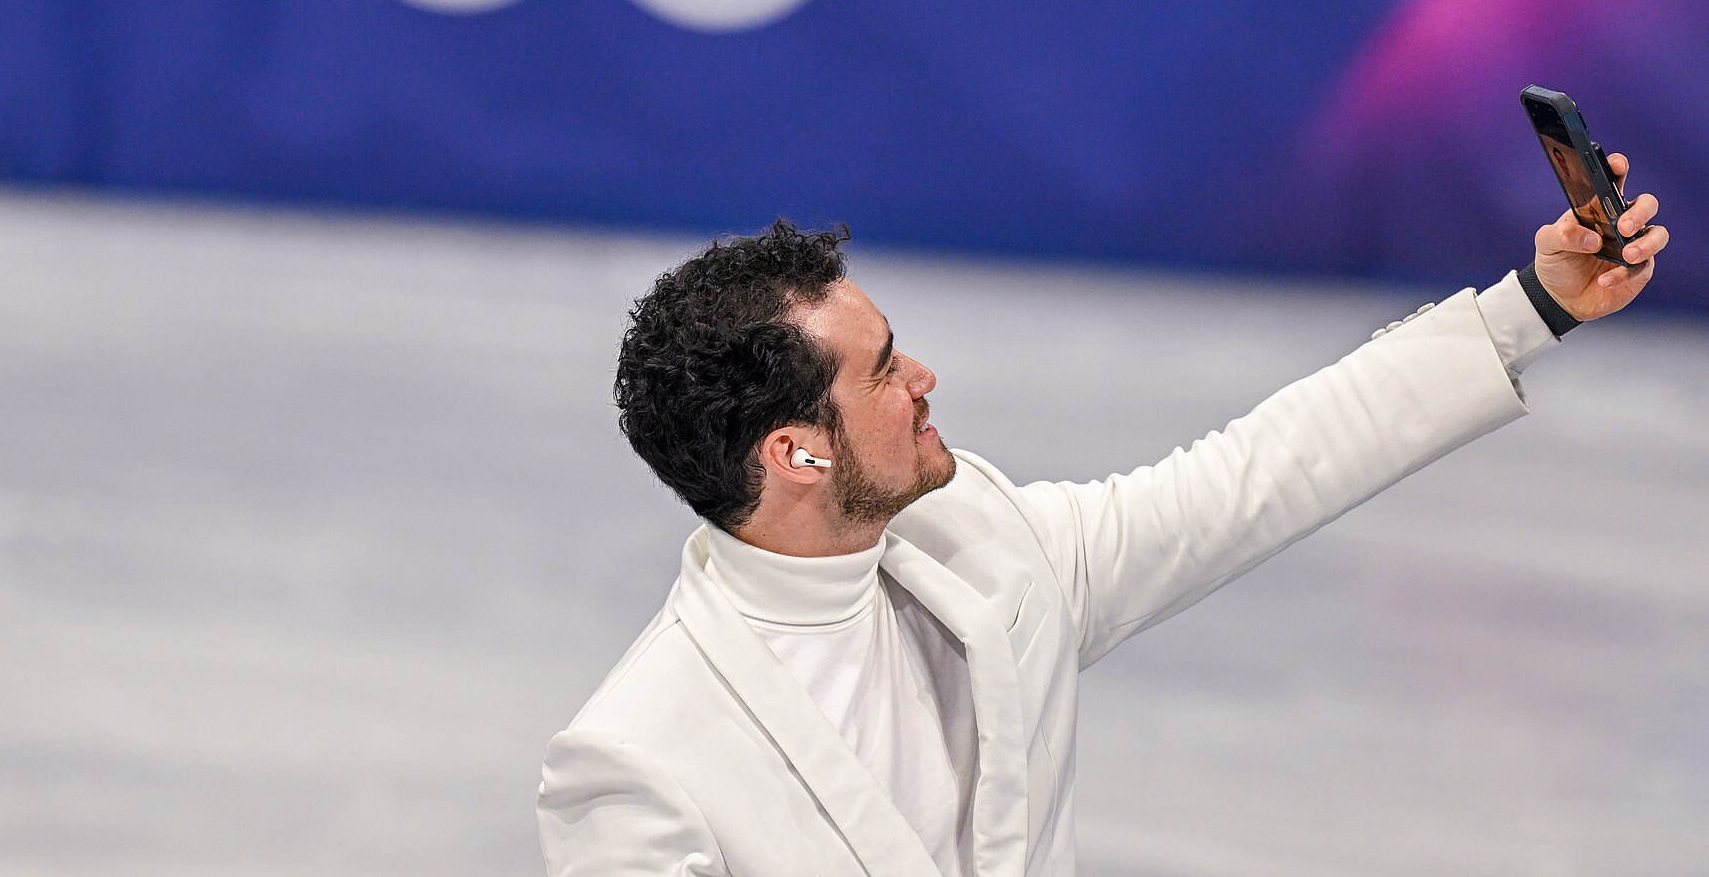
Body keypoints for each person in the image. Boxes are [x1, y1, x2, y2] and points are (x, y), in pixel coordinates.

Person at [537, 156, 1668, 877]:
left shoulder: (977, 543)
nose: (924, 375)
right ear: (795, 450)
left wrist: (1533, 308)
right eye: (882, 372)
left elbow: (1259, 472)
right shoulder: (640, 759)